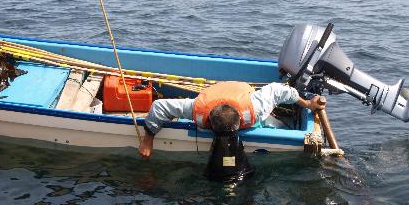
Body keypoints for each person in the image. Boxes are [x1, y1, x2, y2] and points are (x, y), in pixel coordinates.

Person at [138, 81, 325, 158]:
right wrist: (148, 139)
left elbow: (280, 90)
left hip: (243, 94)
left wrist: (307, 104)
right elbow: (158, 106)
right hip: (212, 96)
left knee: (275, 123)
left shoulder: (256, 109)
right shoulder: (197, 109)